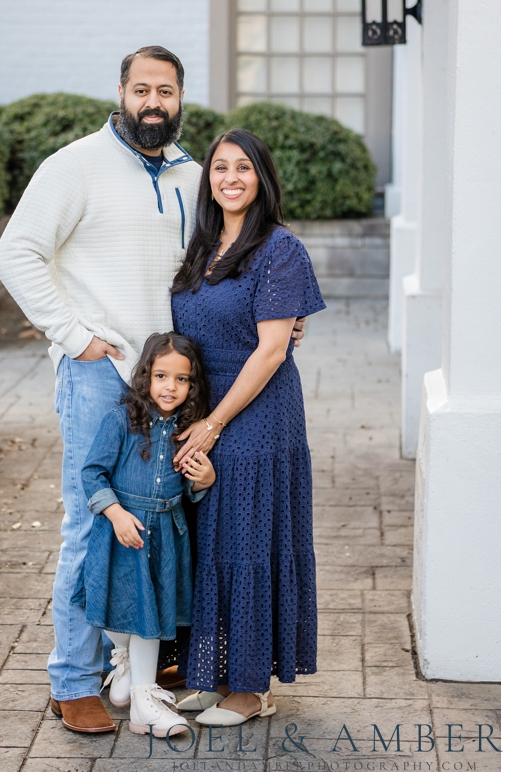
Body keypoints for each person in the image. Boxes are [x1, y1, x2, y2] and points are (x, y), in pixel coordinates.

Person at [0, 45, 204, 733]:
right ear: (120, 92)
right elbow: (15, 251)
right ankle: (73, 679)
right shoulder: (76, 165)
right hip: (99, 375)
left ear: (180, 99)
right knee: (90, 522)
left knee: (162, 514)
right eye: (141, 88)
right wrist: (72, 334)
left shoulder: (192, 175)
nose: (153, 102)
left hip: (169, 383)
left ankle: (133, 663)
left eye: (165, 91)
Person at [168, 129, 325, 727]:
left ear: (262, 177)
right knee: (209, 543)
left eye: (243, 168)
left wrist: (211, 424)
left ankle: (250, 688)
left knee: (249, 544)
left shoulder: (280, 249)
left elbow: (270, 351)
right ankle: (211, 674)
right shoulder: (201, 244)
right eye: (219, 168)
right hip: (204, 407)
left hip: (256, 413)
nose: (229, 178)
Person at [74, 332, 216, 738]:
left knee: (148, 616)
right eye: (161, 375)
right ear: (145, 378)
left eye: (181, 379)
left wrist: (205, 479)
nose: (170, 386)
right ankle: (127, 665)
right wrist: (115, 513)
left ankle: (143, 704)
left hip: (165, 537)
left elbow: (191, 487)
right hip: (125, 532)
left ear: (192, 385)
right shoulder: (121, 420)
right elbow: (92, 472)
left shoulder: (187, 430)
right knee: (118, 609)